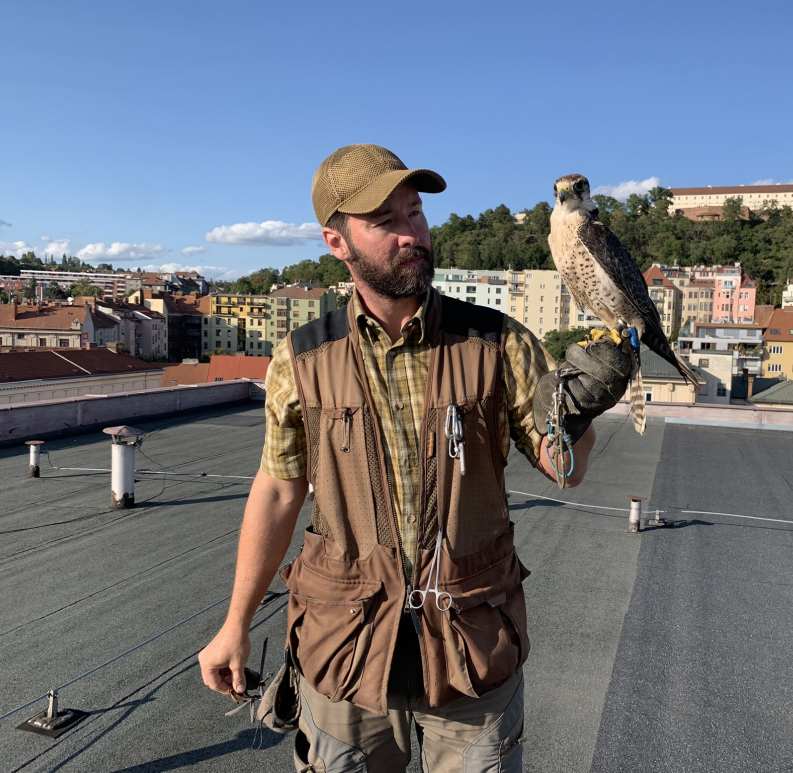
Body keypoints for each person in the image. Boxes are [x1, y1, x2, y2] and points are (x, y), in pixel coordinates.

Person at [198, 144, 631, 772]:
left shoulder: (497, 341)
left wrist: (580, 412)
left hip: (471, 649)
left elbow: (564, 466)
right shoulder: (302, 359)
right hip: (344, 650)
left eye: (416, 214)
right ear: (337, 241)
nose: (412, 234)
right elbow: (277, 491)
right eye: (387, 222)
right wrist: (235, 624)